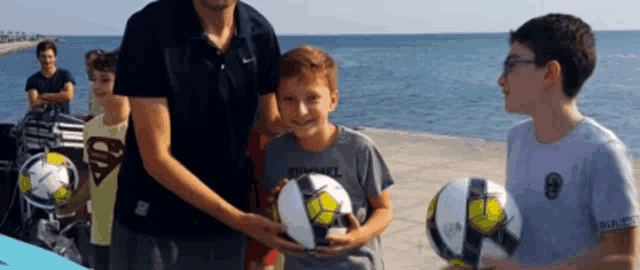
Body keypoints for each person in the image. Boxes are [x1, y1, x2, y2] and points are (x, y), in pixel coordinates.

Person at [109, 0, 301, 269]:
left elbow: (269, 124)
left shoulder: (259, 33)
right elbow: (156, 158)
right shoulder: (149, 27)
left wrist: (327, 139)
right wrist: (238, 219)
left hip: (228, 230)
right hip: (155, 228)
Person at [472, 13, 639, 270]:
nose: (500, 79)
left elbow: (623, 259)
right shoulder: (517, 139)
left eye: (511, 65)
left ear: (551, 72)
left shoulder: (602, 152)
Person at [258, 45, 395, 270]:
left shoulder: (358, 149)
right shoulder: (276, 153)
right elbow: (272, 216)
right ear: (278, 103)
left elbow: (384, 210)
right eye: (289, 99)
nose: (300, 111)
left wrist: (358, 236)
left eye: (312, 98)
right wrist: (277, 207)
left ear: (332, 101)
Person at [56, 49, 126, 270]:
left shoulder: (141, 129)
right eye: (93, 79)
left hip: (134, 235)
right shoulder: (91, 128)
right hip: (100, 233)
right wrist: (67, 208)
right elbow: (95, 179)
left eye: (105, 80)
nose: (96, 86)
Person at [25, 40, 75, 114]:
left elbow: (68, 96)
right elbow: (34, 103)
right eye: (43, 57)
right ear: (38, 57)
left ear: (55, 57)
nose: (47, 60)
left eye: (50, 56)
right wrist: (60, 96)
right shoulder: (32, 80)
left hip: (62, 121)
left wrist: (44, 96)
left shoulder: (65, 75)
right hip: (41, 122)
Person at [85, 49, 106, 117]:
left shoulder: (110, 88)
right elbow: (92, 111)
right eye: (87, 65)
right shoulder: (92, 85)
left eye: (93, 65)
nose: (88, 69)